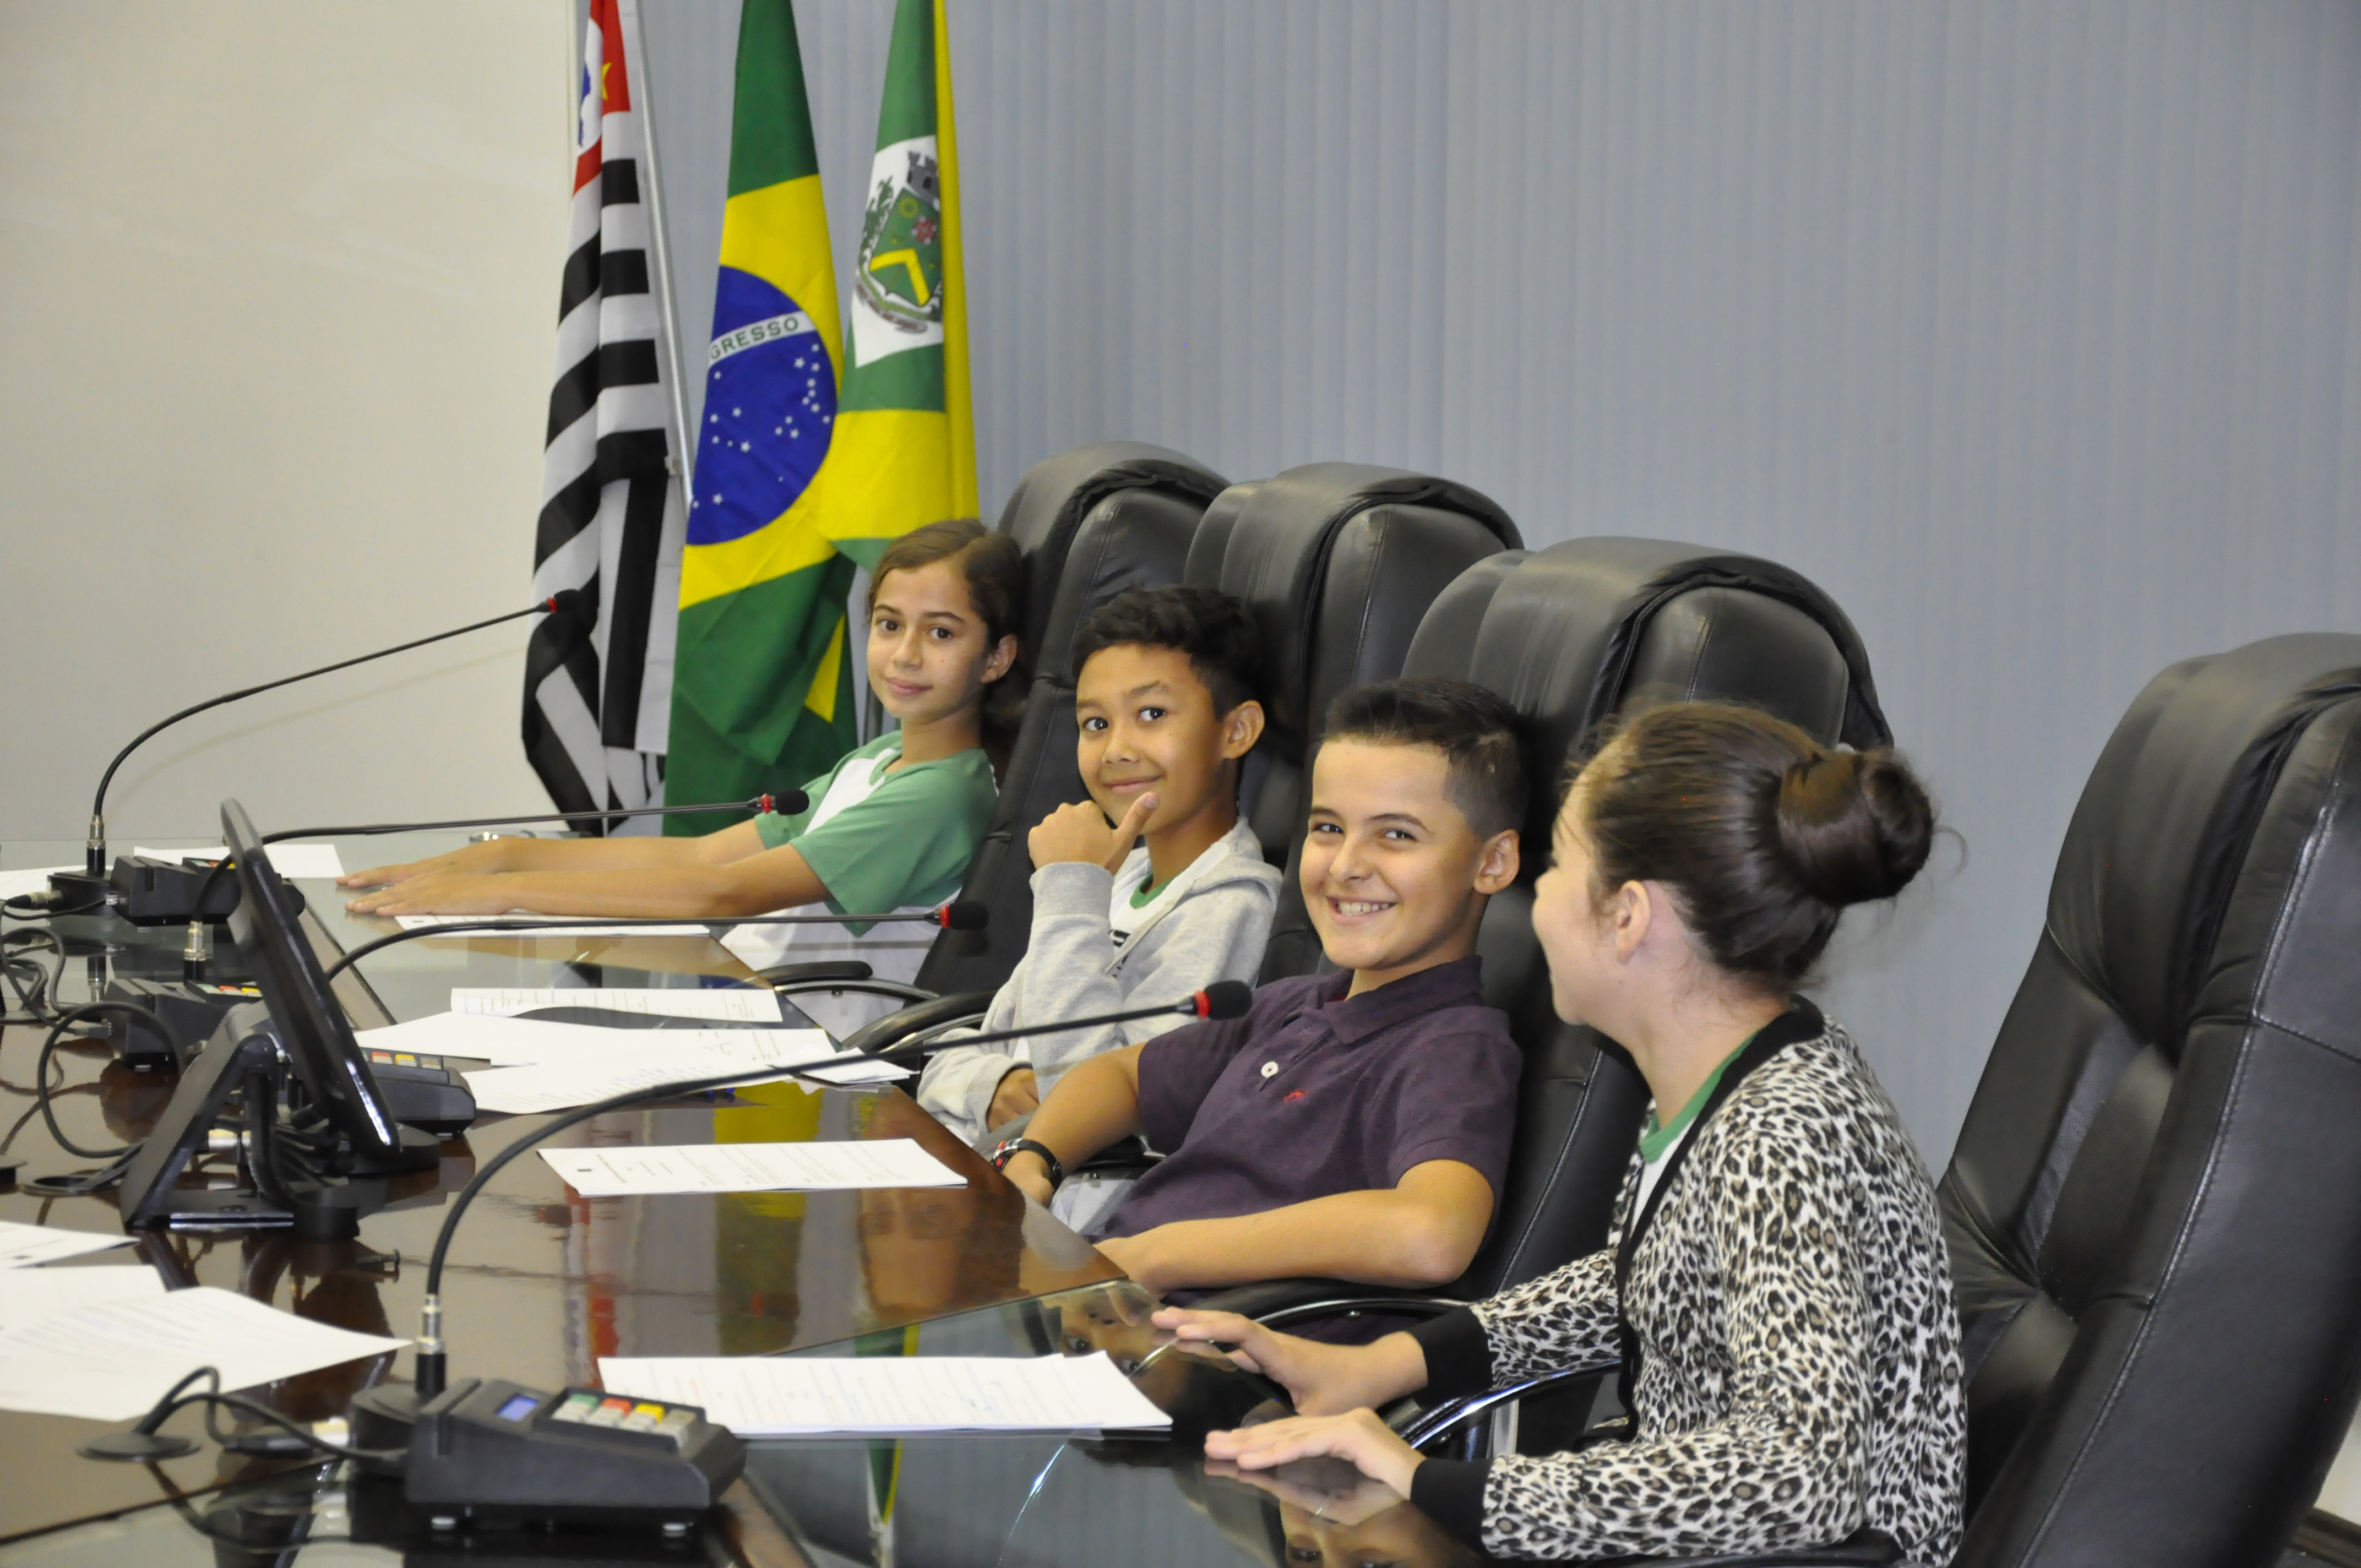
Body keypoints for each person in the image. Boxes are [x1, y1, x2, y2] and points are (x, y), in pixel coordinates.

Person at [1158, 703, 1967, 1564]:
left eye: (1559, 865)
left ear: (1627, 917)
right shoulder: (1724, 1075)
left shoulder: (1782, 1134)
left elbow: (1802, 1474)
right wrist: (1389, 1364)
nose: (1537, 897)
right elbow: (1640, 1284)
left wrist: (1434, 1481)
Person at [340, 518, 1023, 1037]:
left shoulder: (939, 795)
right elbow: (701, 853)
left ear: (996, 658)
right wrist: (504, 855)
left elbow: (722, 891)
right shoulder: (878, 761)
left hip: (817, 1053)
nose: (903, 654)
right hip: (757, 1006)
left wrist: (506, 894)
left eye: (940, 634)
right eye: (888, 624)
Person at [998, 677, 1526, 1315]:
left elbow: (1431, 1234)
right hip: (1109, 1307)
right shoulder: (1297, 1005)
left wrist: (1164, 1254)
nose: (1345, 865)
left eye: (1396, 835)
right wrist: (1036, 1159)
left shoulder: (1453, 1047)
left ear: (1492, 863)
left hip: (1203, 1362)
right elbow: (1121, 1077)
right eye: (1328, 827)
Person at [917, 586, 1282, 1162]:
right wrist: (993, 1086)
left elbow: (1087, 1113)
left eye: (1152, 714)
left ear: (1236, 731)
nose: (1115, 749)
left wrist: (1069, 889)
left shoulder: (1233, 908)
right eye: (1094, 723)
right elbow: (953, 1054)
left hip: (1068, 1223)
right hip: (981, 1165)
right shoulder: (1113, 878)